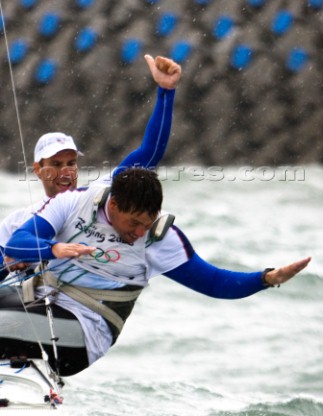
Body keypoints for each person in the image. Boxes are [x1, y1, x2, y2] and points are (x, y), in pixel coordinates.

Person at [3, 167, 311, 375]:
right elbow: (19, 243)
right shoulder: (75, 203)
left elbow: (216, 283)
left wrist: (266, 278)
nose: (139, 232)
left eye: (146, 224)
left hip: (84, 333)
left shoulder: (158, 240)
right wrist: (53, 249)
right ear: (113, 205)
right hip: (40, 304)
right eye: (133, 223)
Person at [0, 54, 182, 280]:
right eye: (56, 164)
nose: (65, 171)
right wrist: (10, 260)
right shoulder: (18, 223)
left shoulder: (100, 194)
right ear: (38, 169)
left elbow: (150, 153)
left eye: (71, 163)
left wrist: (166, 91)